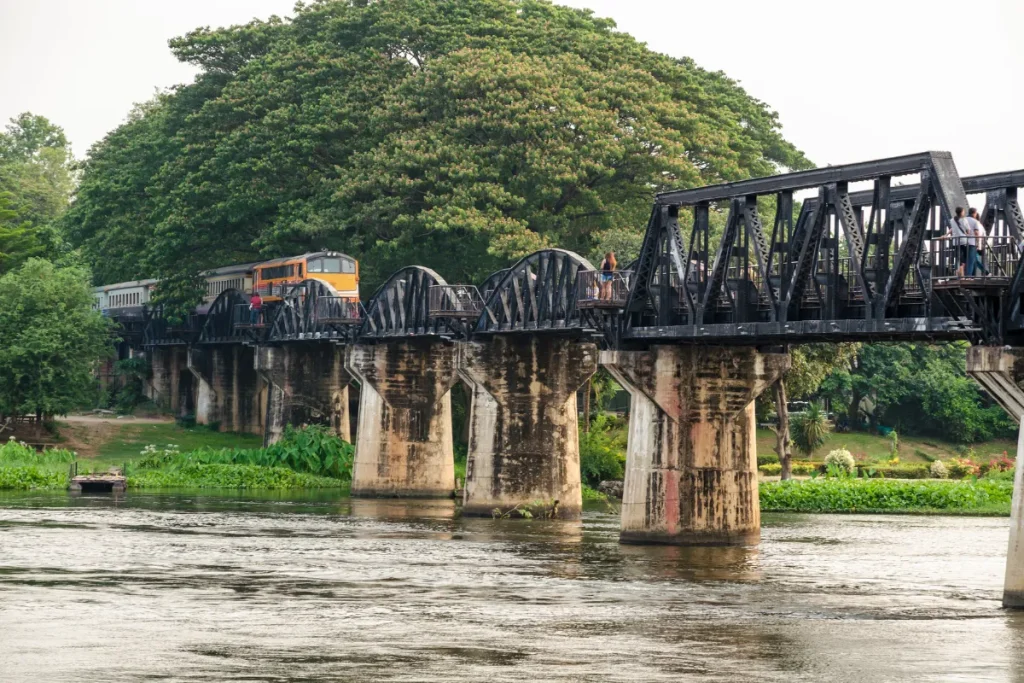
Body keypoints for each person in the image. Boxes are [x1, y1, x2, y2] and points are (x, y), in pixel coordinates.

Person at [938, 207, 969, 276]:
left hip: (955, 242)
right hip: (963, 241)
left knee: (959, 258)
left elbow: (952, 229)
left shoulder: (952, 220)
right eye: (963, 211)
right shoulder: (964, 220)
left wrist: (946, 235)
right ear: (961, 212)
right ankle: (961, 273)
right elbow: (968, 231)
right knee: (966, 258)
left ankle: (959, 272)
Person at [967, 207, 990, 276]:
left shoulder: (972, 222)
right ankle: (975, 274)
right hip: (976, 244)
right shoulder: (979, 225)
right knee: (973, 259)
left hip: (972, 244)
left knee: (973, 259)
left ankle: (984, 272)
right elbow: (983, 235)